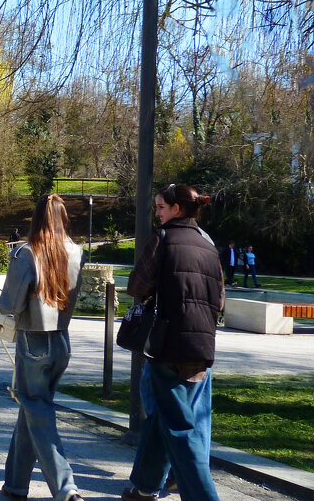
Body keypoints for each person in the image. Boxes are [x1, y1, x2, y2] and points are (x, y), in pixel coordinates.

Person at [120, 183, 224, 501]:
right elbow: (219, 300)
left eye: (161, 207)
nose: (158, 212)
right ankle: (145, 487)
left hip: (168, 345)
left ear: (177, 209)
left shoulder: (162, 238)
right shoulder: (208, 243)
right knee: (167, 418)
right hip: (203, 345)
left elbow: (137, 284)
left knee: (179, 427)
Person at [0, 193, 85, 501]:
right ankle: (15, 483)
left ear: (36, 219)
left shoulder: (26, 252)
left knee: (37, 409)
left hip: (33, 338)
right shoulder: (77, 251)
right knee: (33, 410)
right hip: (62, 338)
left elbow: (9, 305)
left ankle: (66, 488)